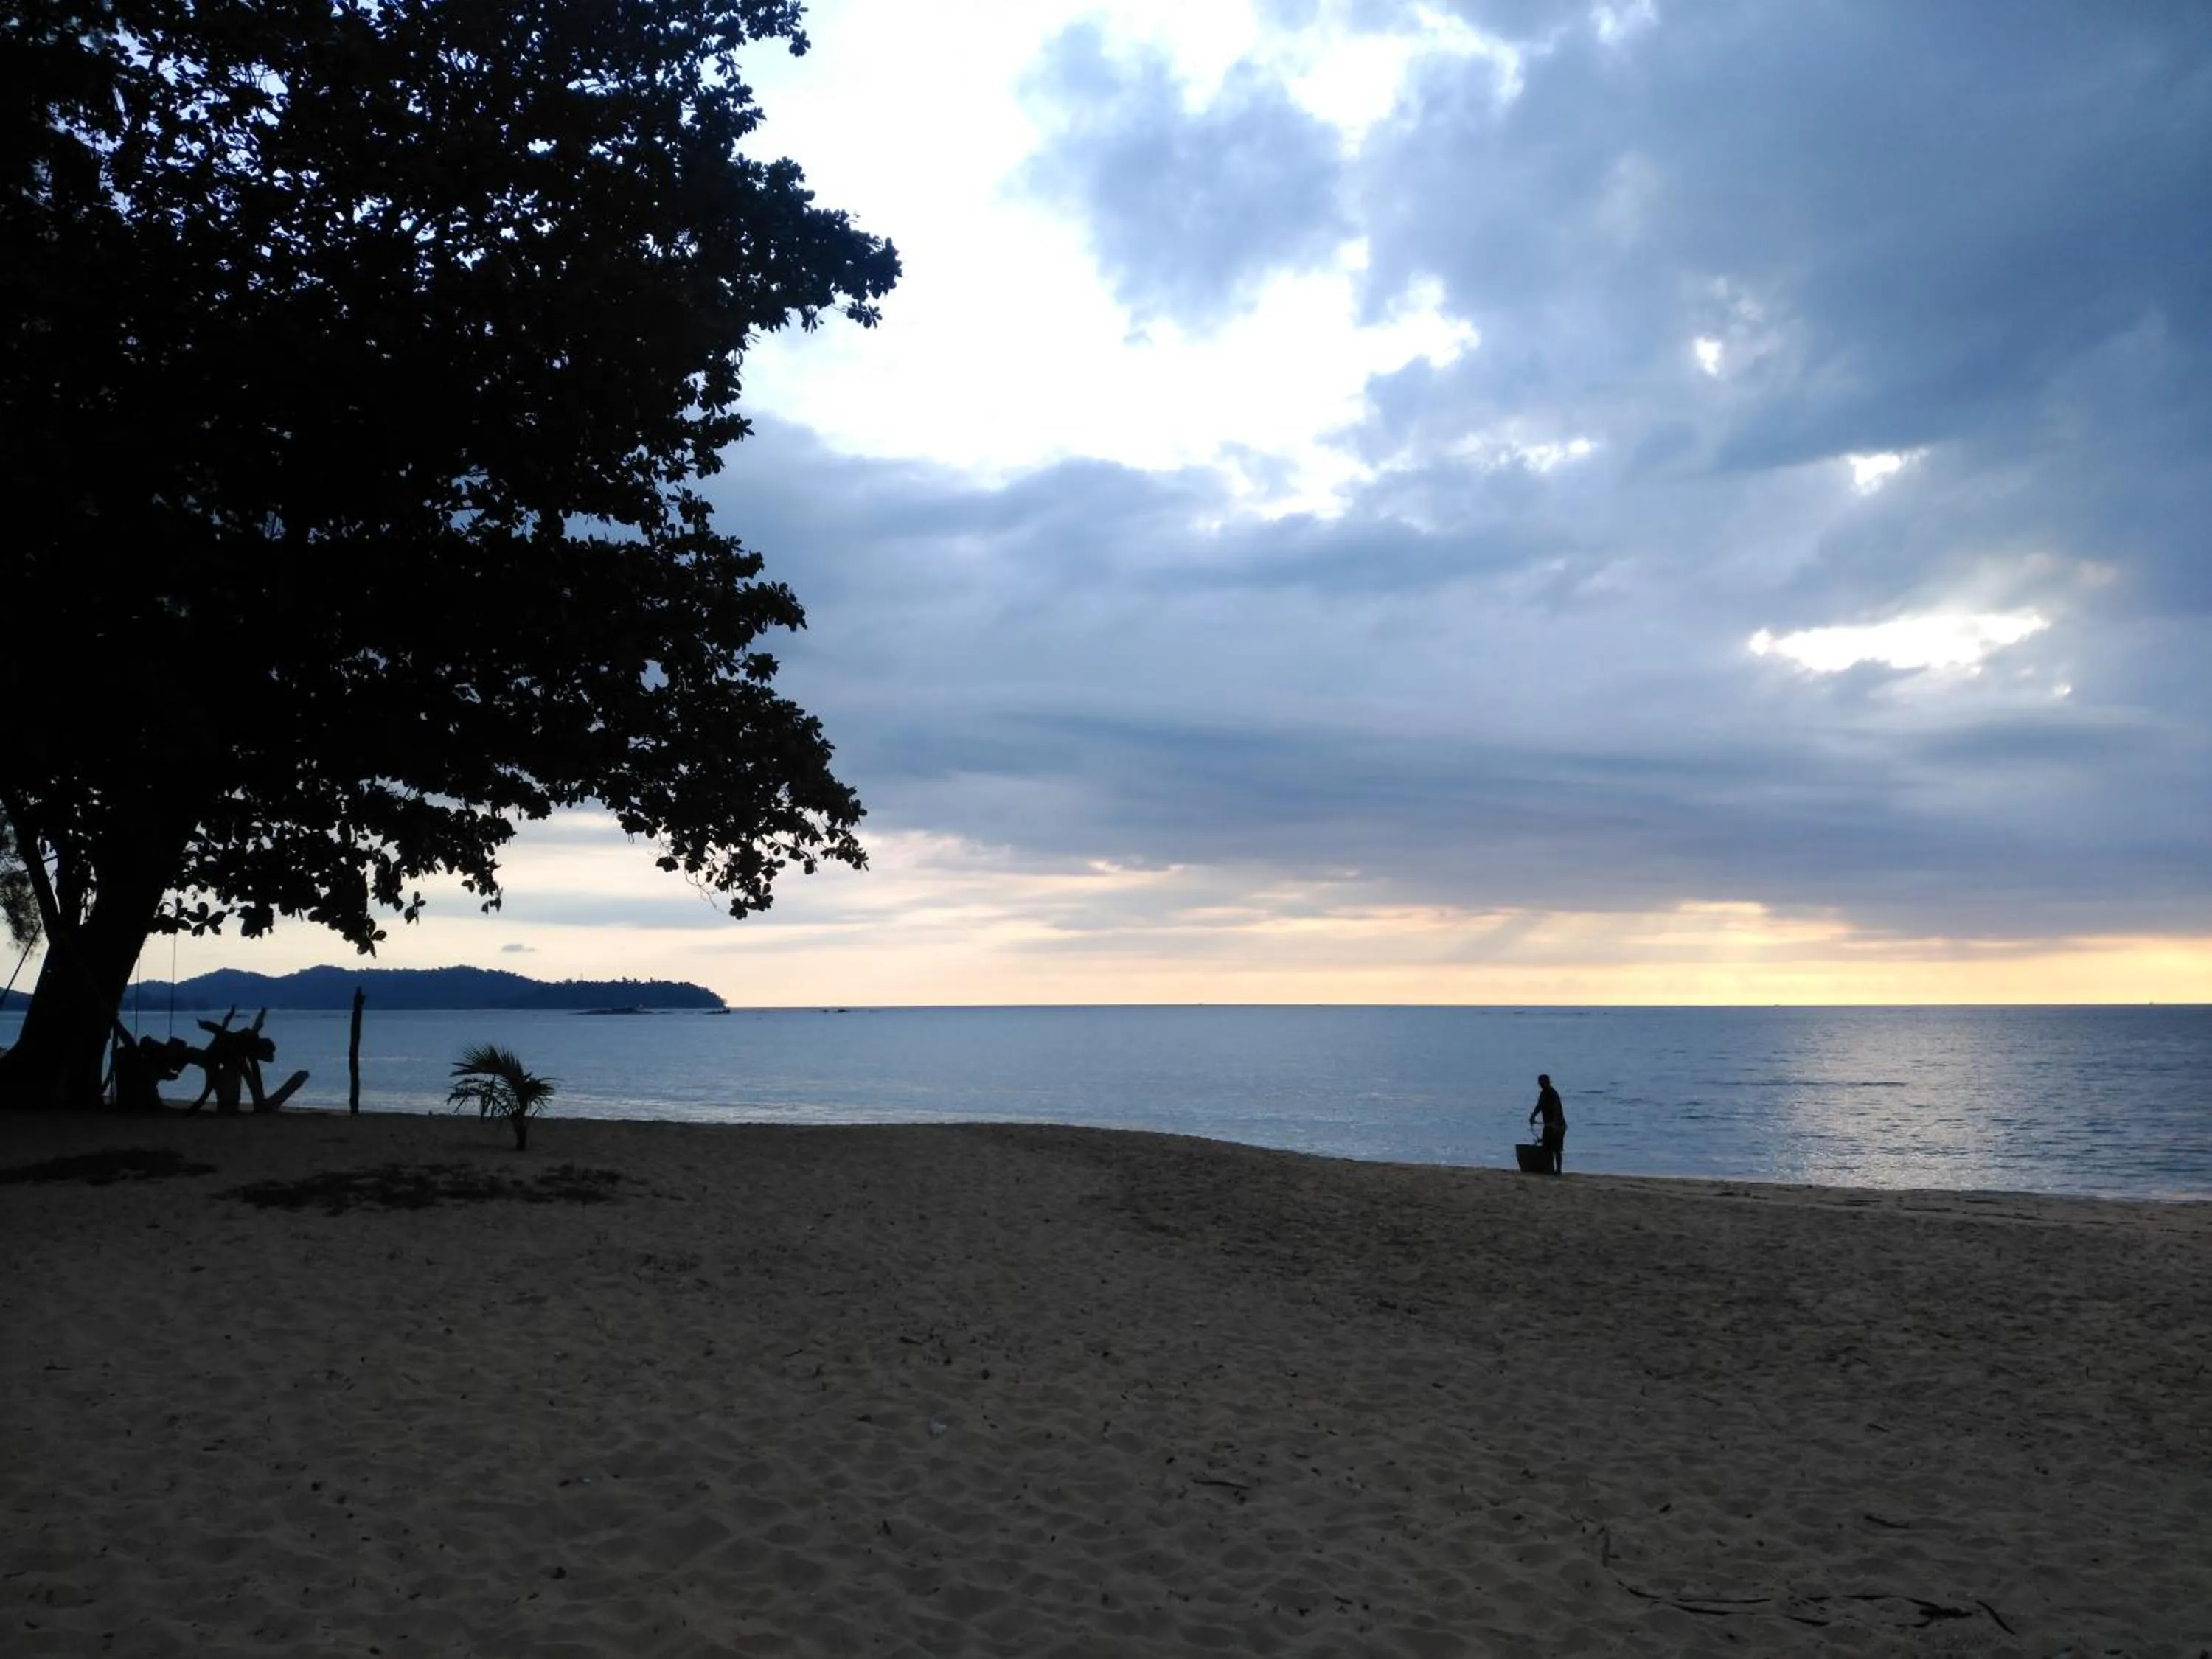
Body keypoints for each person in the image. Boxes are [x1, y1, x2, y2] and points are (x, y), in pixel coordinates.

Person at [1528, 1074, 1565, 1175]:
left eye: (1543, 1083)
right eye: (1540, 1083)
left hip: (1558, 1125)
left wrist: (1555, 1123)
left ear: (1547, 1083)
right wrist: (1533, 1116)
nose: (1541, 1085)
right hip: (1548, 1125)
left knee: (1557, 1149)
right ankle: (1550, 1169)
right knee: (1547, 1148)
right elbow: (1539, 1106)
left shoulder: (1553, 1094)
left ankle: (1558, 1171)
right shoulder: (1543, 1094)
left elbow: (1557, 1109)